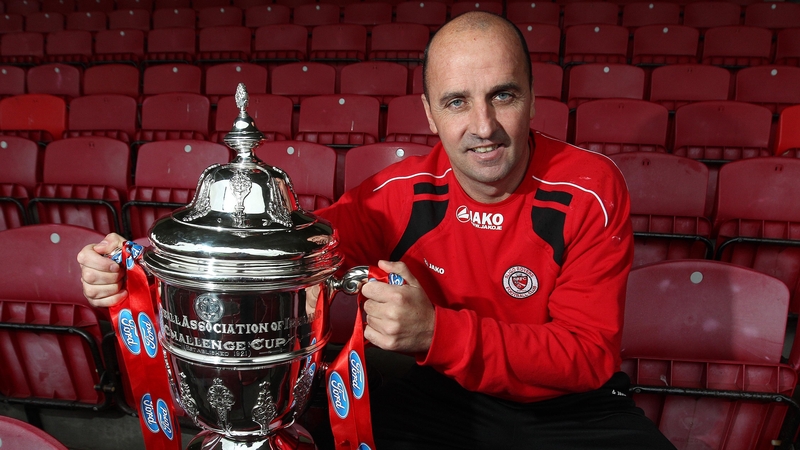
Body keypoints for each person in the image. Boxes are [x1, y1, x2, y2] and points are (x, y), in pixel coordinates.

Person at [78, 12, 676, 449]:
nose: (484, 125)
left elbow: (586, 355)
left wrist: (437, 331)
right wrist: (137, 269)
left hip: (565, 412)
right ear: (429, 113)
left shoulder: (592, 189)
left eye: (503, 95)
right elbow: (283, 257)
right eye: (457, 102)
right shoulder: (397, 193)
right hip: (433, 397)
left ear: (532, 98)